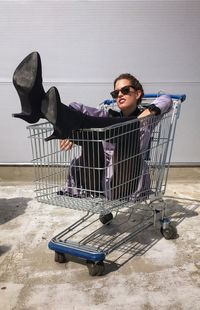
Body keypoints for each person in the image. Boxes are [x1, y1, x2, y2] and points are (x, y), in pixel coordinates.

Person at [12, 51, 172, 201]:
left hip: (125, 180)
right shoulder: (107, 116)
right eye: (116, 93)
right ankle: (38, 104)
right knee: (91, 133)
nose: (120, 95)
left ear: (138, 93)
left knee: (126, 129)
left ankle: (36, 110)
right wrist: (71, 131)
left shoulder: (148, 120)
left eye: (125, 90)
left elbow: (166, 99)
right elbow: (76, 107)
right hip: (95, 180)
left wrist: (145, 115)